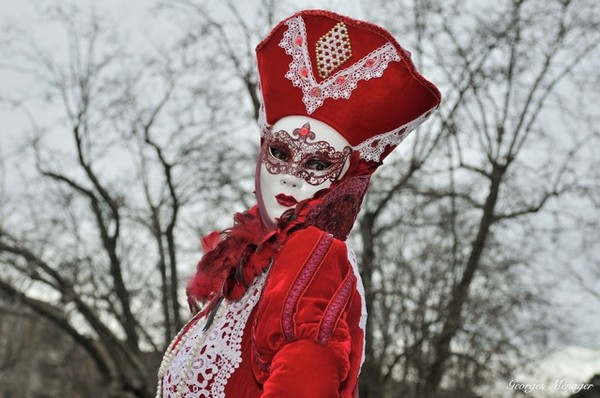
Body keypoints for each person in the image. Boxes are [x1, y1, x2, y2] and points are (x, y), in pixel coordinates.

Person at [156, 9, 441, 398]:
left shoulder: (312, 255)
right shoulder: (252, 267)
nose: (291, 176)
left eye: (318, 163)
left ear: (346, 178)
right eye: (279, 151)